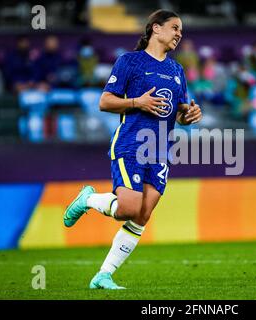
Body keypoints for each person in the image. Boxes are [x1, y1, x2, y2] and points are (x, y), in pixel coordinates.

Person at [63, 9, 202, 290]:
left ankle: (103, 275)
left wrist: (188, 115)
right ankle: (88, 199)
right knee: (127, 208)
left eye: (181, 30)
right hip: (131, 145)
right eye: (175, 27)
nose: (179, 34)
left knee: (143, 214)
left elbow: (177, 110)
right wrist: (138, 102)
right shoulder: (130, 62)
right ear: (156, 28)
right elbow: (105, 102)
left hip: (161, 150)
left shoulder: (176, 70)